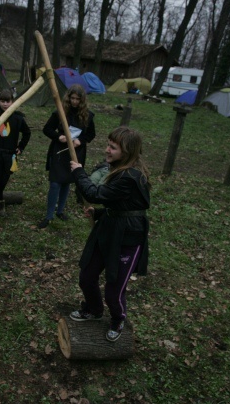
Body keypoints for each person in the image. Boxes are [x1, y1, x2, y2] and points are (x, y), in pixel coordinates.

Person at [68, 127, 151, 342]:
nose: (107, 150)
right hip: (108, 229)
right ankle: (94, 310)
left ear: (127, 151)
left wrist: (79, 171)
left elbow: (95, 193)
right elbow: (123, 205)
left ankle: (117, 319)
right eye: (108, 145)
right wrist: (100, 213)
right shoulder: (120, 170)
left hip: (127, 239)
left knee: (114, 290)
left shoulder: (130, 177)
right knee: (87, 276)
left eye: (113, 148)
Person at [38, 84, 95, 228]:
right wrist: (59, 137)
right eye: (72, 98)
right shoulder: (60, 112)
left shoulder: (87, 115)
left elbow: (91, 134)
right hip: (59, 152)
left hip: (75, 153)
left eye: (77, 99)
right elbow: (47, 129)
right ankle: (49, 215)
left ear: (82, 100)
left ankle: (60, 211)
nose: (74, 102)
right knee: (55, 182)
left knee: (67, 182)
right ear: (68, 98)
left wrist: (80, 141)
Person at [0, 89, 31, 216]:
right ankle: (1, 202)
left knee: (4, 178)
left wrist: (20, 147)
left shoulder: (17, 118)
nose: (5, 104)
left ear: (12, 102)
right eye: (2, 101)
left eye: (8, 101)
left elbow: (27, 133)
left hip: (10, 154)